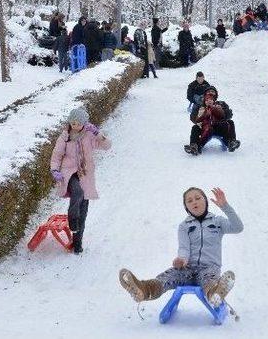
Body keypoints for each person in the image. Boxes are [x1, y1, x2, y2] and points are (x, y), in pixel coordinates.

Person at [119, 187, 243, 308]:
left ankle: (216, 294)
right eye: (189, 201)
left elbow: (238, 227)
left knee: (209, 280)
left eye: (198, 198)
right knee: (168, 277)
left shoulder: (217, 222)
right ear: (186, 207)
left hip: (209, 268)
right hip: (187, 268)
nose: (194, 202)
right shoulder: (184, 226)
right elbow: (184, 248)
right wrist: (181, 260)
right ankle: (143, 290)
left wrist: (225, 206)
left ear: (205, 200)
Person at [50, 108, 112, 254]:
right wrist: (55, 170)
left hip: (85, 174)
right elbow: (56, 155)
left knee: (83, 211)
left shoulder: (90, 135)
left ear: (84, 123)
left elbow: (107, 146)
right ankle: (72, 220)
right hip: (69, 172)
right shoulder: (65, 136)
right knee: (77, 192)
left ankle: (77, 243)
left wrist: (98, 134)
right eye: (73, 122)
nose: (75, 125)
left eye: (78, 123)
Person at [184, 87, 240, 155]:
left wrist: (219, 111)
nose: (211, 93)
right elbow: (193, 117)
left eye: (213, 92)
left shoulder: (221, 104)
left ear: (216, 95)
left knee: (230, 122)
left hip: (218, 126)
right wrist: (202, 115)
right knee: (195, 127)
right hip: (205, 128)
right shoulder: (200, 106)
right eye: (209, 92)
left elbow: (229, 114)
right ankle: (194, 146)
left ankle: (231, 142)